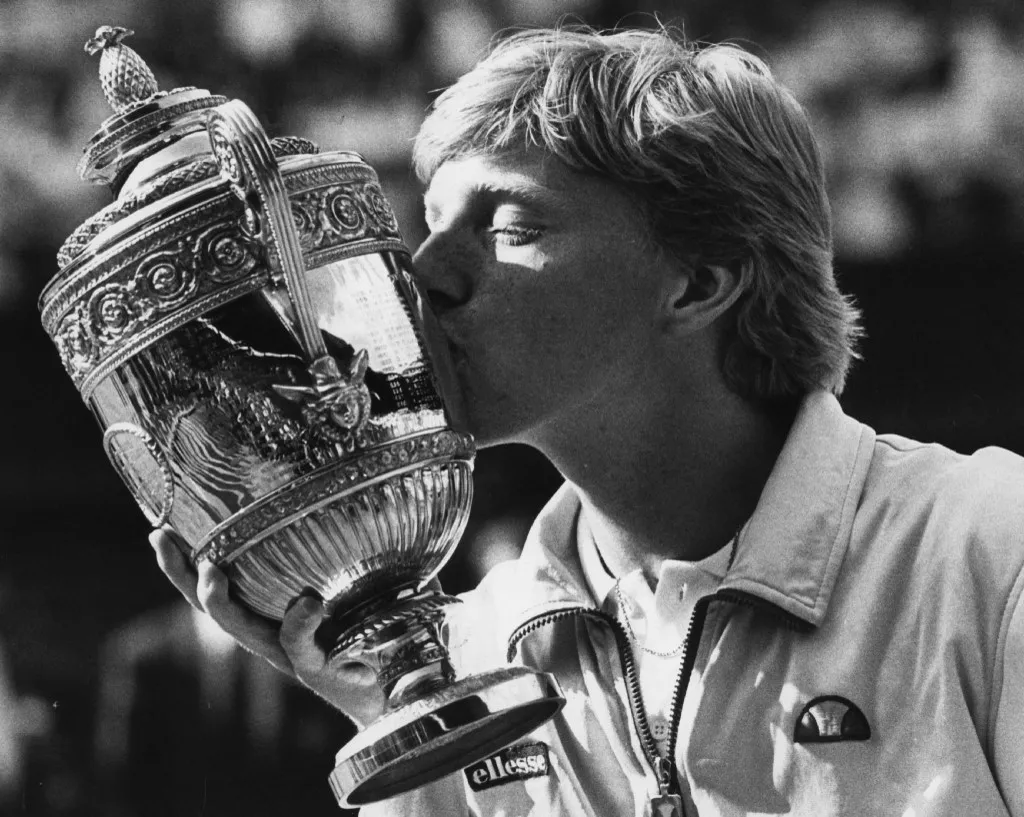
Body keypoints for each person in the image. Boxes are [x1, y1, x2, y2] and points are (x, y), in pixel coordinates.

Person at [150, 26, 1024, 816]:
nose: (424, 273)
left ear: (699, 279)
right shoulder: (467, 656)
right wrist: (400, 723)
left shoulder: (989, 551)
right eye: (432, 222)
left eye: (510, 224)